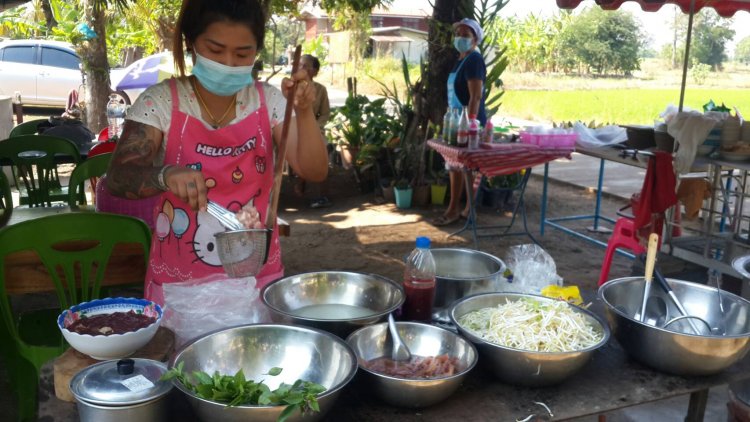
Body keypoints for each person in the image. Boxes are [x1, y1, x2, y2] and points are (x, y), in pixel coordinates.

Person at [105, 0, 329, 306]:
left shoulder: (269, 102)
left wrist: (303, 111)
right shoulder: (160, 102)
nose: (228, 63)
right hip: (181, 289)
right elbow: (118, 177)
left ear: (256, 52)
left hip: (255, 281)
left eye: (242, 54)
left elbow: (314, 170)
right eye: (215, 50)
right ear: (192, 44)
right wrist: (165, 175)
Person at [433, 18, 487, 226]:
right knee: (455, 164)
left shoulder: (474, 59)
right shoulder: (461, 59)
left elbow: (475, 96)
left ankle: (458, 209)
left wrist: (470, 124)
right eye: (458, 34)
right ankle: (464, 209)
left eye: (466, 35)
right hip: (455, 120)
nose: (460, 38)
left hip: (468, 121)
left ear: (475, 40)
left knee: (464, 165)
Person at [294, 54, 332, 208]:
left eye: (305, 66)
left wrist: (315, 128)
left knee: (322, 149)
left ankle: (321, 195)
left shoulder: (320, 90)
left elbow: (325, 114)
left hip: (314, 130)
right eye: (299, 65)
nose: (301, 69)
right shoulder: (291, 87)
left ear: (314, 71)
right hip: (292, 129)